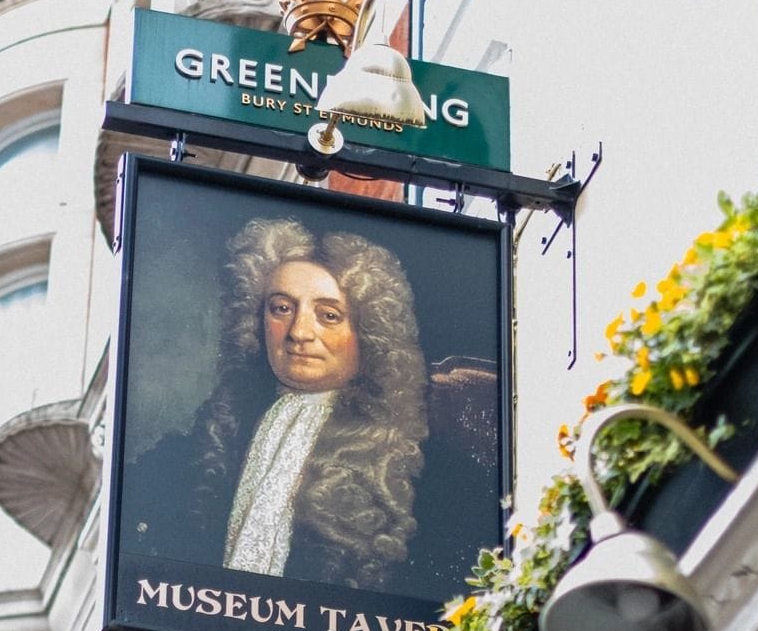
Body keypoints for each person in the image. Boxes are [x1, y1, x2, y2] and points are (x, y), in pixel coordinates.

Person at [125, 214, 495, 597]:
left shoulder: (435, 477)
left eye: (328, 316)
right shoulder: (208, 444)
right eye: (282, 308)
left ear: (368, 333)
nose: (300, 333)